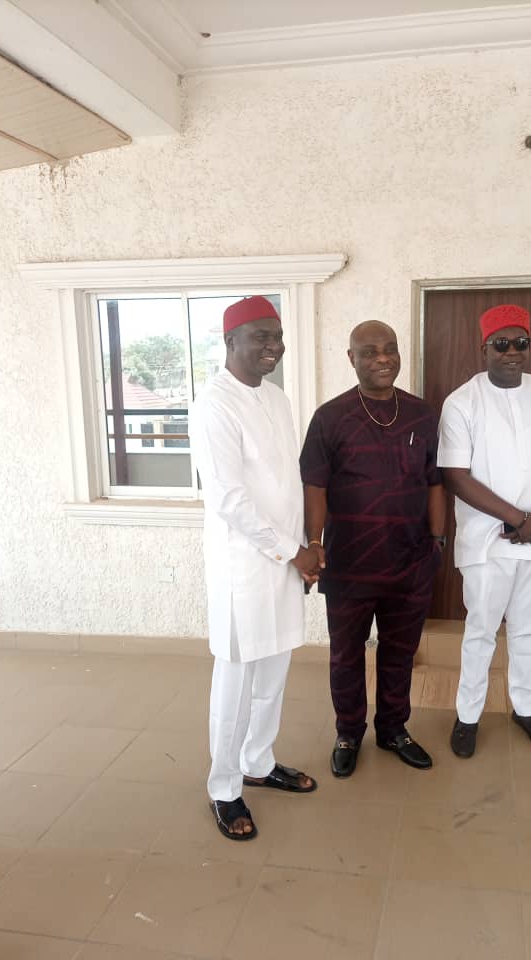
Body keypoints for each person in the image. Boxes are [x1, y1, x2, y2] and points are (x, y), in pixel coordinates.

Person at [189, 296, 321, 841]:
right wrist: (292, 551)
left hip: (286, 560)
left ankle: (259, 763)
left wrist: (306, 547)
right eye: (260, 336)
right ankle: (224, 787)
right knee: (237, 679)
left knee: (275, 669)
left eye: (278, 336)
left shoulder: (277, 398)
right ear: (230, 342)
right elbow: (228, 498)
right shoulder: (213, 405)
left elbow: (287, 483)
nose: (273, 346)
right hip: (244, 566)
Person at [438, 304, 531, 757]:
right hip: (488, 541)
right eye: (501, 344)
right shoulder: (462, 402)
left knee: (527, 630)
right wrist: (519, 519)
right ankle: (468, 716)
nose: (512, 352)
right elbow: (456, 476)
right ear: (483, 348)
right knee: (481, 631)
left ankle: (525, 708)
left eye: (520, 343)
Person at [300, 320, 446, 777]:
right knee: (346, 655)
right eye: (369, 352)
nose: (382, 358)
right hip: (349, 564)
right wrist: (314, 543)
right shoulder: (329, 418)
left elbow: (435, 481)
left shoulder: (422, 415)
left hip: (411, 560)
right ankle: (348, 732)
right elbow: (314, 486)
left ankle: (393, 729)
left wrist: (438, 539)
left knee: (399, 653)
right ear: (352, 359)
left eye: (389, 349)